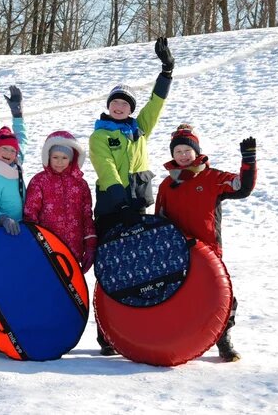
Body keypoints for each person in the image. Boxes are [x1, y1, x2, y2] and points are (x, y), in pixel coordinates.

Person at [89, 36, 174, 355]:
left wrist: (165, 73)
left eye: (125, 103)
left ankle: (137, 325)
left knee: (140, 267)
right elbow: (106, 168)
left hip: (138, 205)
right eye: (115, 103)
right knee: (111, 266)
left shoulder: (139, 130)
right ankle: (104, 332)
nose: (120, 107)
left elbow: (156, 105)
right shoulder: (101, 135)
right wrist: (119, 200)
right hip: (113, 207)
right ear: (109, 106)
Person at [155, 124, 257, 362]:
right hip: (179, 253)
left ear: (196, 151)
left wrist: (248, 161)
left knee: (222, 298)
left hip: (209, 252)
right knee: (180, 297)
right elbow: (159, 218)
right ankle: (180, 341)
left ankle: (223, 339)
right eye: (178, 151)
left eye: (187, 150)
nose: (182, 155)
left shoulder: (213, 178)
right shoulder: (167, 185)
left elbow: (243, 188)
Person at [23, 131, 97, 273]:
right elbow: (31, 214)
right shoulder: (39, 181)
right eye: (55, 157)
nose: (59, 161)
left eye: (64, 157)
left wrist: (90, 246)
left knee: (71, 288)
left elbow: (87, 216)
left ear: (72, 159)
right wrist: (34, 243)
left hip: (74, 249)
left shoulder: (80, 184)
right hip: (47, 248)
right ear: (48, 157)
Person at [0, 86, 27, 235]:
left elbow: (21, 138)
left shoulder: (16, 164)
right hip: (4, 230)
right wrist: (3, 219)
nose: (9, 153)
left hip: (24, 225)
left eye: (12, 150)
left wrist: (17, 114)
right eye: (4, 149)